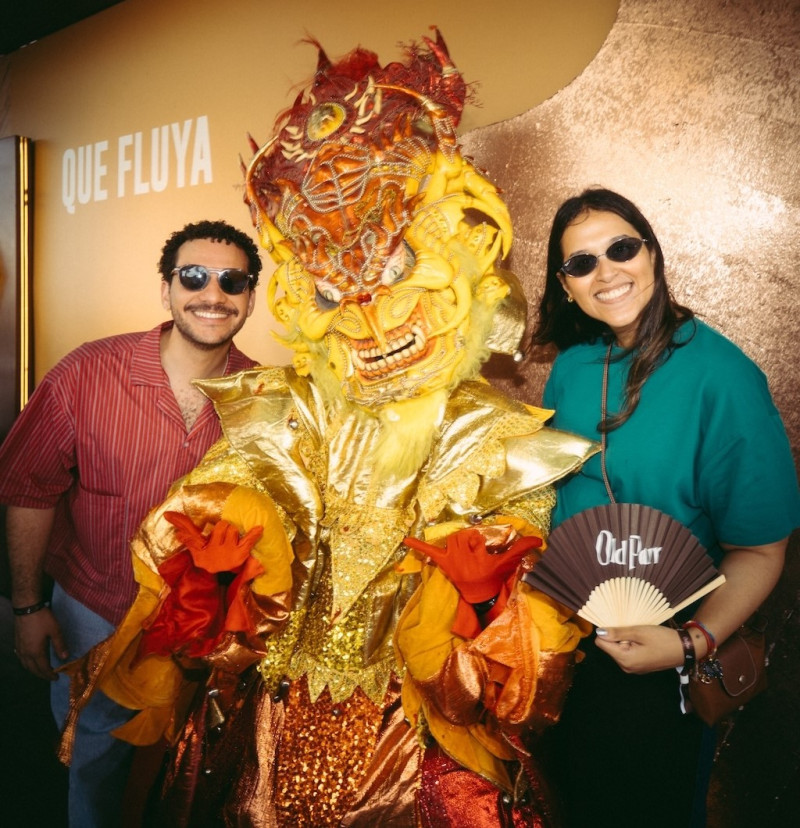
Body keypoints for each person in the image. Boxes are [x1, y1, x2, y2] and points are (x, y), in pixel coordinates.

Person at [58, 36, 598, 827]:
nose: (371, 317)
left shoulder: (495, 432)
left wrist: (485, 609)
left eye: (389, 276)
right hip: (263, 726)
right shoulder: (290, 402)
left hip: (413, 748)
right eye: (338, 289)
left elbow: (514, 675)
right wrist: (220, 552)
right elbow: (245, 482)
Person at [530, 188, 800, 827]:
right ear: (565, 286)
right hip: (564, 644)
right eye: (582, 263)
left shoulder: (723, 377)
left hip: (664, 646)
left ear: (652, 252)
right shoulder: (569, 368)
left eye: (621, 248)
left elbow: (761, 550)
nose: (607, 272)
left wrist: (688, 644)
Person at [0, 219, 262, 827]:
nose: (212, 294)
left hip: (202, 634)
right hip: (94, 611)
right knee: (91, 767)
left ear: (249, 297)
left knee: (184, 778)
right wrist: (25, 607)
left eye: (232, 281)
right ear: (167, 288)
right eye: (193, 276)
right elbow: (28, 490)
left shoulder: (264, 397)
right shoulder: (87, 374)